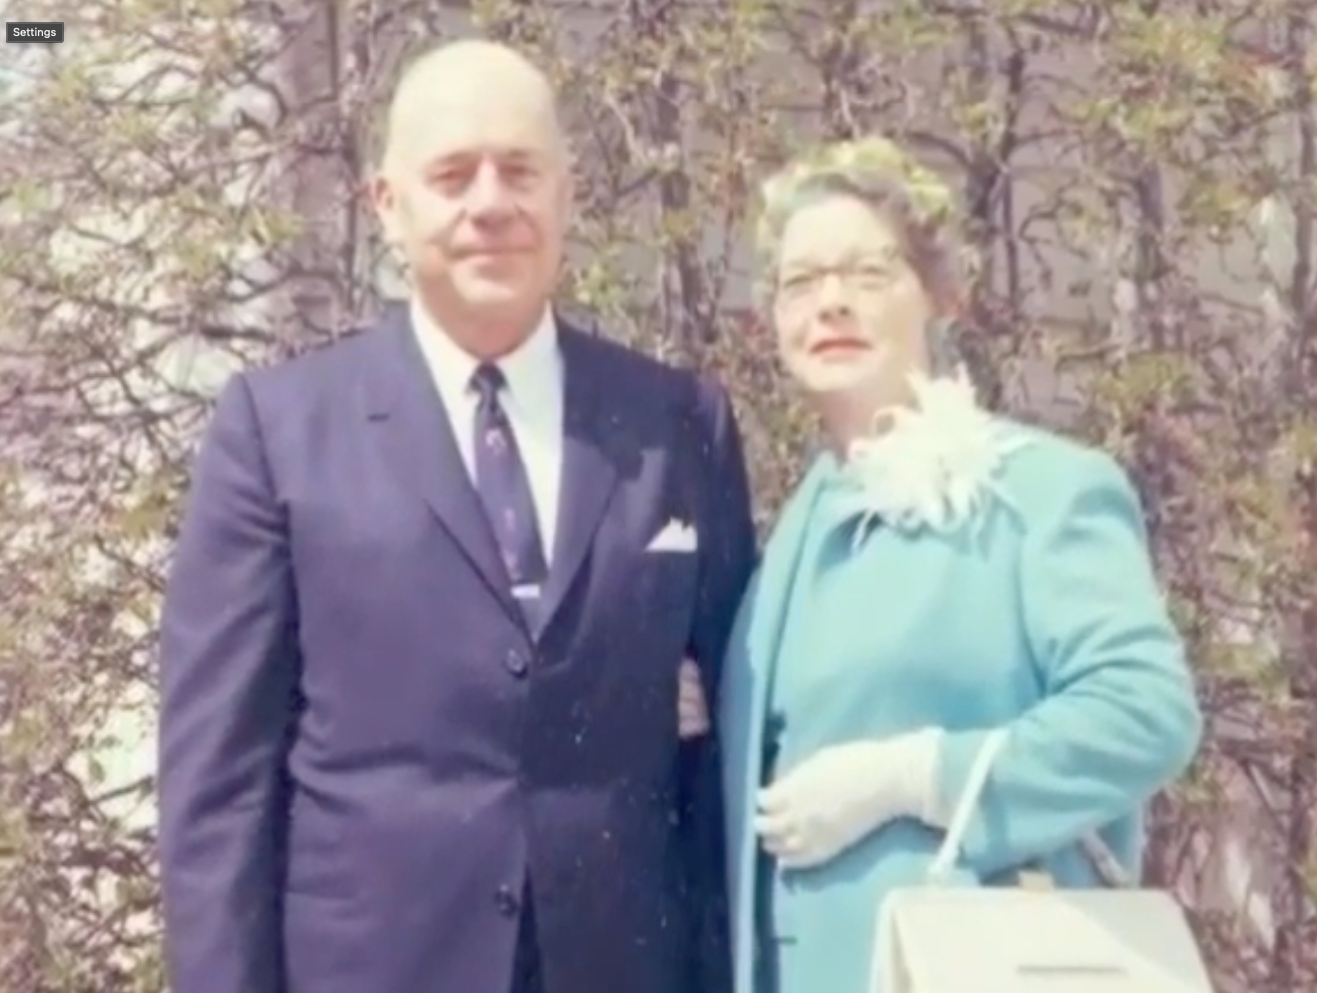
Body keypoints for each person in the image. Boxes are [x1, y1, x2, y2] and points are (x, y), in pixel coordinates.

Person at [157, 39, 756, 993]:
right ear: (387, 206)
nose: (490, 203)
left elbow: (731, 741)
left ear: (566, 196)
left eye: (520, 170)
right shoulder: (277, 430)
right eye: (452, 174)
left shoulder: (678, 423)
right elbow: (219, 785)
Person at [717, 136, 1204, 993]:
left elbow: (1144, 712)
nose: (830, 303)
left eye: (868, 274)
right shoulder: (784, 539)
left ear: (939, 296)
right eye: (801, 282)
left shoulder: (1042, 489)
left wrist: (915, 777)